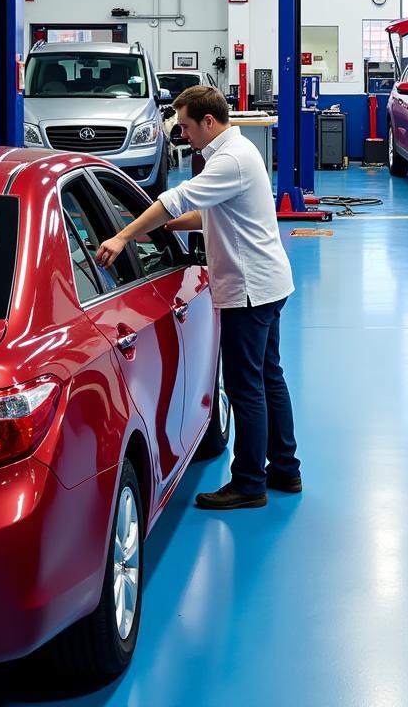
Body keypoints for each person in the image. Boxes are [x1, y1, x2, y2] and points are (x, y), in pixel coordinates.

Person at [95, 85, 301, 510]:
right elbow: (203, 212)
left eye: (186, 126)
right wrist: (164, 229)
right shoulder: (237, 152)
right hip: (267, 283)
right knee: (268, 378)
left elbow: (178, 199)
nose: (183, 134)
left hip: (248, 290)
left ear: (209, 121)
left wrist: (122, 236)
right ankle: (285, 468)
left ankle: (248, 483)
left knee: (247, 388)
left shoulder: (229, 160)